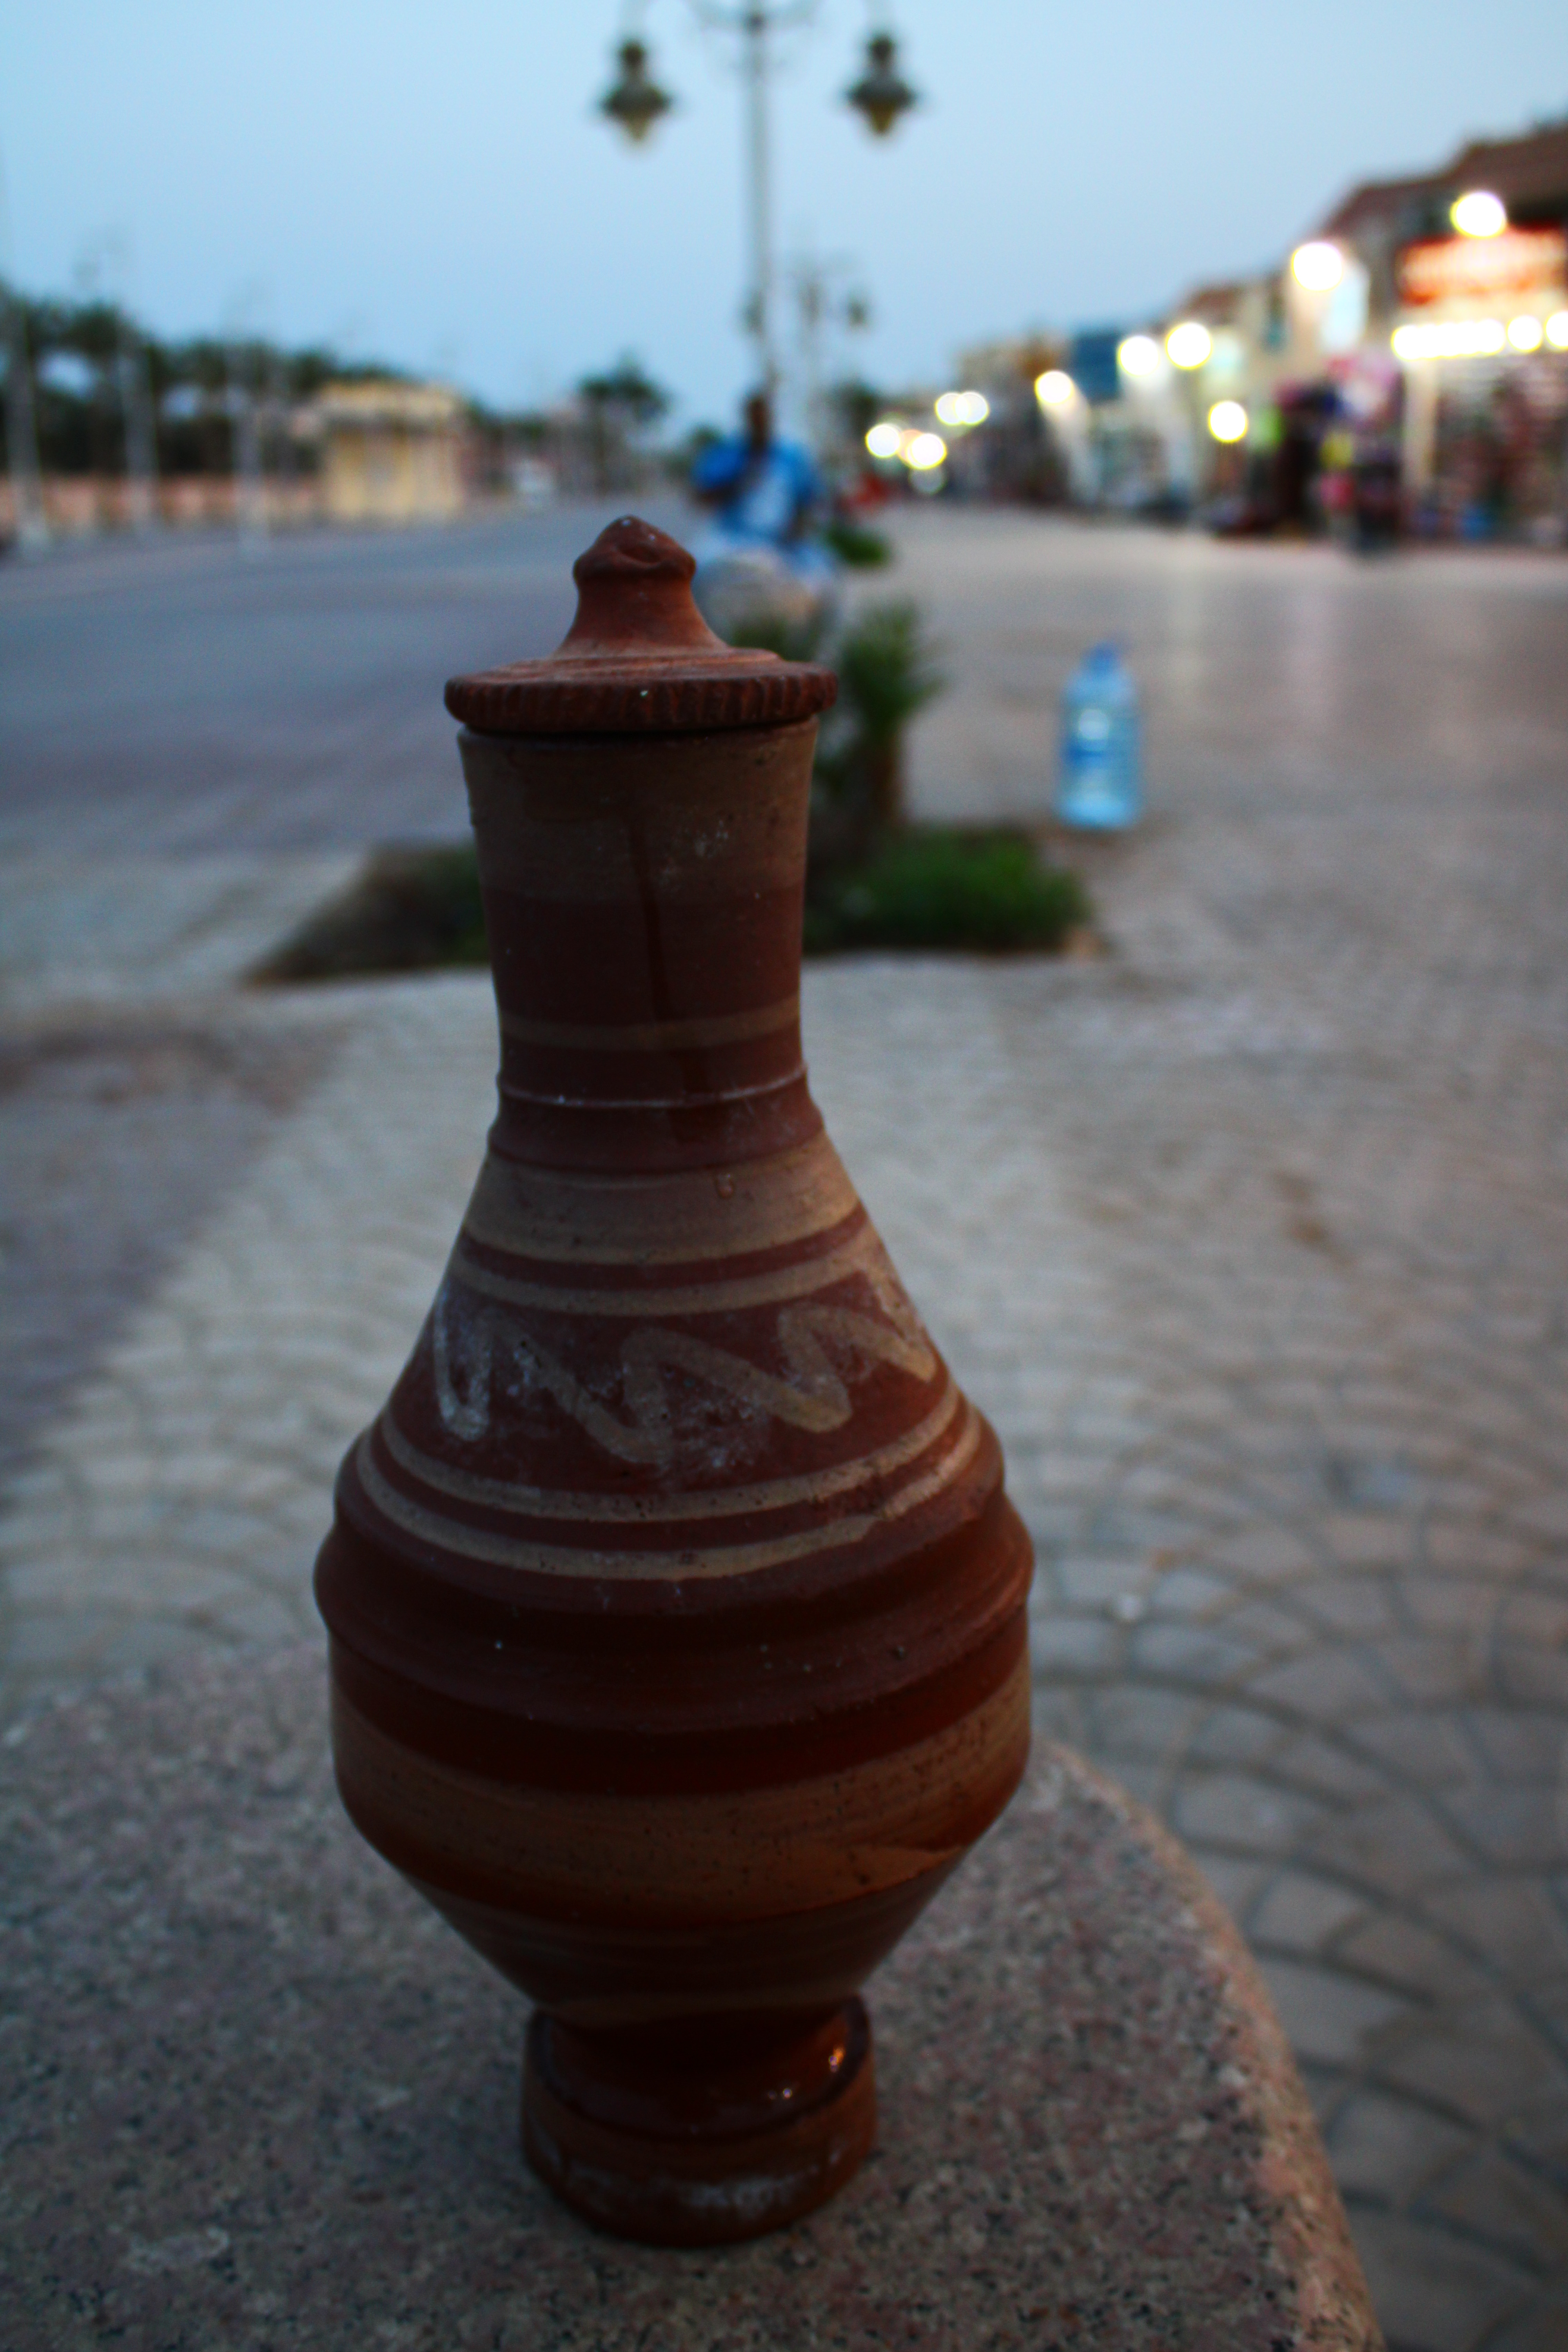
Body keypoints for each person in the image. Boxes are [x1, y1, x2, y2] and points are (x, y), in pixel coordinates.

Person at [688, 392, 835, 632]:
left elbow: (809, 499)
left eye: (764, 417)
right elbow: (701, 495)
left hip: (782, 542)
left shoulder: (791, 456)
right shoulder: (729, 453)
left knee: (825, 577)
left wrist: (796, 530)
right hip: (732, 537)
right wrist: (741, 476)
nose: (759, 423)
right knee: (694, 572)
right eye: (754, 418)